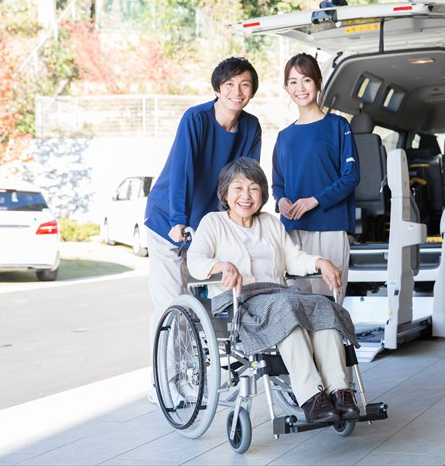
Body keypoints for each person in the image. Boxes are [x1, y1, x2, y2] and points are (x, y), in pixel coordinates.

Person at [187, 157, 360, 423]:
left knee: (322, 305)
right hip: (238, 300)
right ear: (225, 192)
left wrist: (319, 262)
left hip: (278, 295)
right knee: (287, 309)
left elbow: (294, 258)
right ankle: (312, 397)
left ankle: (339, 390)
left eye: (253, 188)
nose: (246, 196)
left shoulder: (269, 222)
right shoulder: (213, 223)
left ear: (263, 193)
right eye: (238, 188)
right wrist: (220, 266)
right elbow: (195, 261)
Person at [144, 57, 261, 399]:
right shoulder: (195, 119)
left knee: (213, 305)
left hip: (206, 228)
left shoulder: (251, 127)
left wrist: (241, 221)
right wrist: (179, 220)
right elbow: (182, 171)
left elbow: (244, 178)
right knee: (172, 305)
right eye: (229, 86)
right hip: (169, 221)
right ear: (217, 89)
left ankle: (194, 375)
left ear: (251, 91)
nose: (236, 92)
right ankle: (163, 383)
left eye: (244, 85)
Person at [272, 53, 360, 304]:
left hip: (329, 226)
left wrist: (314, 200)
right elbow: (278, 183)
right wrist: (281, 201)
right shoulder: (284, 136)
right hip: (292, 231)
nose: (300, 88)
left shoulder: (337, 125)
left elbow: (351, 176)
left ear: (318, 82)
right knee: (297, 305)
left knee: (328, 304)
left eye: (306, 80)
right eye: (292, 82)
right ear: (286, 87)